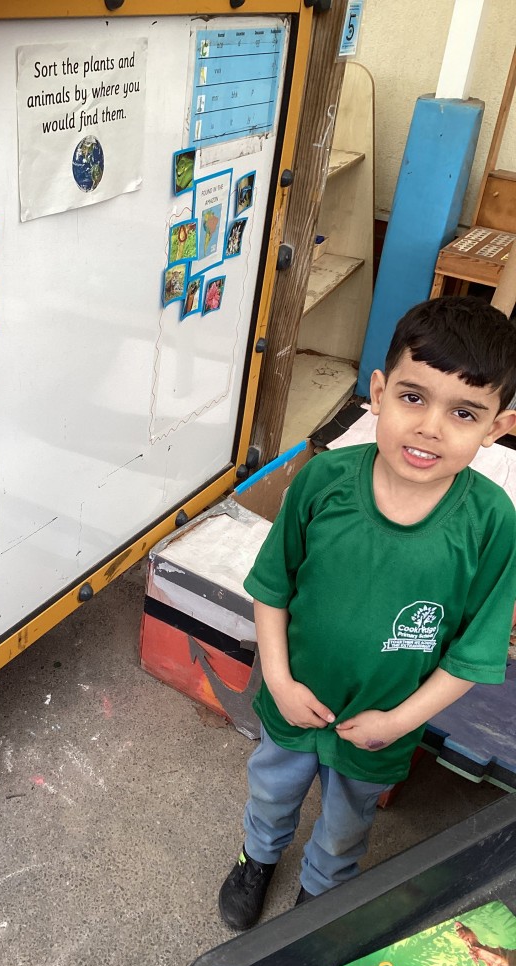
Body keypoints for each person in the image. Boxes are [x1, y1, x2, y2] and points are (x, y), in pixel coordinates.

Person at [219, 296, 516, 930]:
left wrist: (399, 721)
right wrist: (279, 680)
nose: (430, 427)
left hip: (381, 726)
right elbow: (272, 587)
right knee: (271, 789)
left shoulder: (492, 524)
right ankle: (257, 857)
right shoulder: (323, 480)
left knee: (346, 824)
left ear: (496, 427)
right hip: (294, 700)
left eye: (464, 412)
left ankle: (321, 894)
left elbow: (473, 654)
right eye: (413, 397)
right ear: (378, 393)